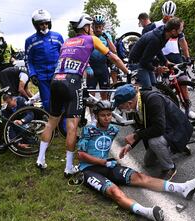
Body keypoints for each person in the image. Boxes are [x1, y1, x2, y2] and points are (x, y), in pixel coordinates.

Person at [78, 100, 195, 221]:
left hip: (107, 165)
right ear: (96, 116)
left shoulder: (113, 130)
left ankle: (183, 188)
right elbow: (81, 155)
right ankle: (147, 212)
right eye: (102, 115)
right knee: (114, 192)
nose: (106, 118)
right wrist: (103, 162)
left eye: (109, 115)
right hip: (89, 169)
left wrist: (129, 146)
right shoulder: (88, 130)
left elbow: (140, 131)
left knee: (140, 177)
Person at [35, 14, 129, 177]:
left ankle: (40, 159)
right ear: (86, 27)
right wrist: (127, 71)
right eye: (90, 26)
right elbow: (112, 56)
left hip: (56, 80)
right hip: (72, 82)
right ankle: (69, 167)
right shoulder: (91, 39)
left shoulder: (67, 41)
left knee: (51, 123)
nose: (92, 29)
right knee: (72, 126)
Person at [113, 84, 193, 180]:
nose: (121, 109)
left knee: (155, 142)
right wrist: (130, 145)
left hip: (178, 130)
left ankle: (170, 168)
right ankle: (176, 148)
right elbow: (143, 128)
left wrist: (135, 135)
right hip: (166, 130)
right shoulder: (137, 104)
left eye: (121, 106)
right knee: (148, 162)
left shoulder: (153, 100)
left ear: (129, 103)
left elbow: (159, 129)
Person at [128, 17, 184, 89]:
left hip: (145, 61)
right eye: (180, 30)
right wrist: (156, 69)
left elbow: (158, 50)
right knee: (149, 89)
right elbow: (143, 61)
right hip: (137, 63)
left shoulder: (165, 34)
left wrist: (166, 61)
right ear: (173, 31)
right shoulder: (155, 39)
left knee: (154, 86)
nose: (181, 32)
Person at [25, 9, 64, 112]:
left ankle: (63, 126)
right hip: (41, 77)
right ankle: (52, 125)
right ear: (36, 25)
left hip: (57, 74)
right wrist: (32, 74)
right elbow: (28, 60)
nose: (44, 26)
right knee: (47, 103)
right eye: (41, 24)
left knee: (60, 101)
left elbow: (64, 55)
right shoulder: (30, 41)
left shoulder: (58, 37)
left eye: (46, 23)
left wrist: (65, 71)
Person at [0, 93, 32, 163]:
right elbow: (8, 127)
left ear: (13, 99)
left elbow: (31, 113)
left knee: (27, 136)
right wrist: (16, 143)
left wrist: (22, 121)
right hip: (10, 125)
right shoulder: (5, 108)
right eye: (6, 104)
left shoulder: (21, 100)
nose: (9, 106)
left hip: (23, 123)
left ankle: (16, 142)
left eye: (9, 103)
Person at [88, 14, 117, 100]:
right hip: (92, 68)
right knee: (91, 95)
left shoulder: (107, 36)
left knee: (104, 94)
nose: (97, 29)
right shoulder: (89, 36)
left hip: (103, 67)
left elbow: (114, 50)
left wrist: (107, 38)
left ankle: (104, 111)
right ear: (92, 26)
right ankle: (93, 114)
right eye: (96, 27)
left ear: (103, 27)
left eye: (99, 27)